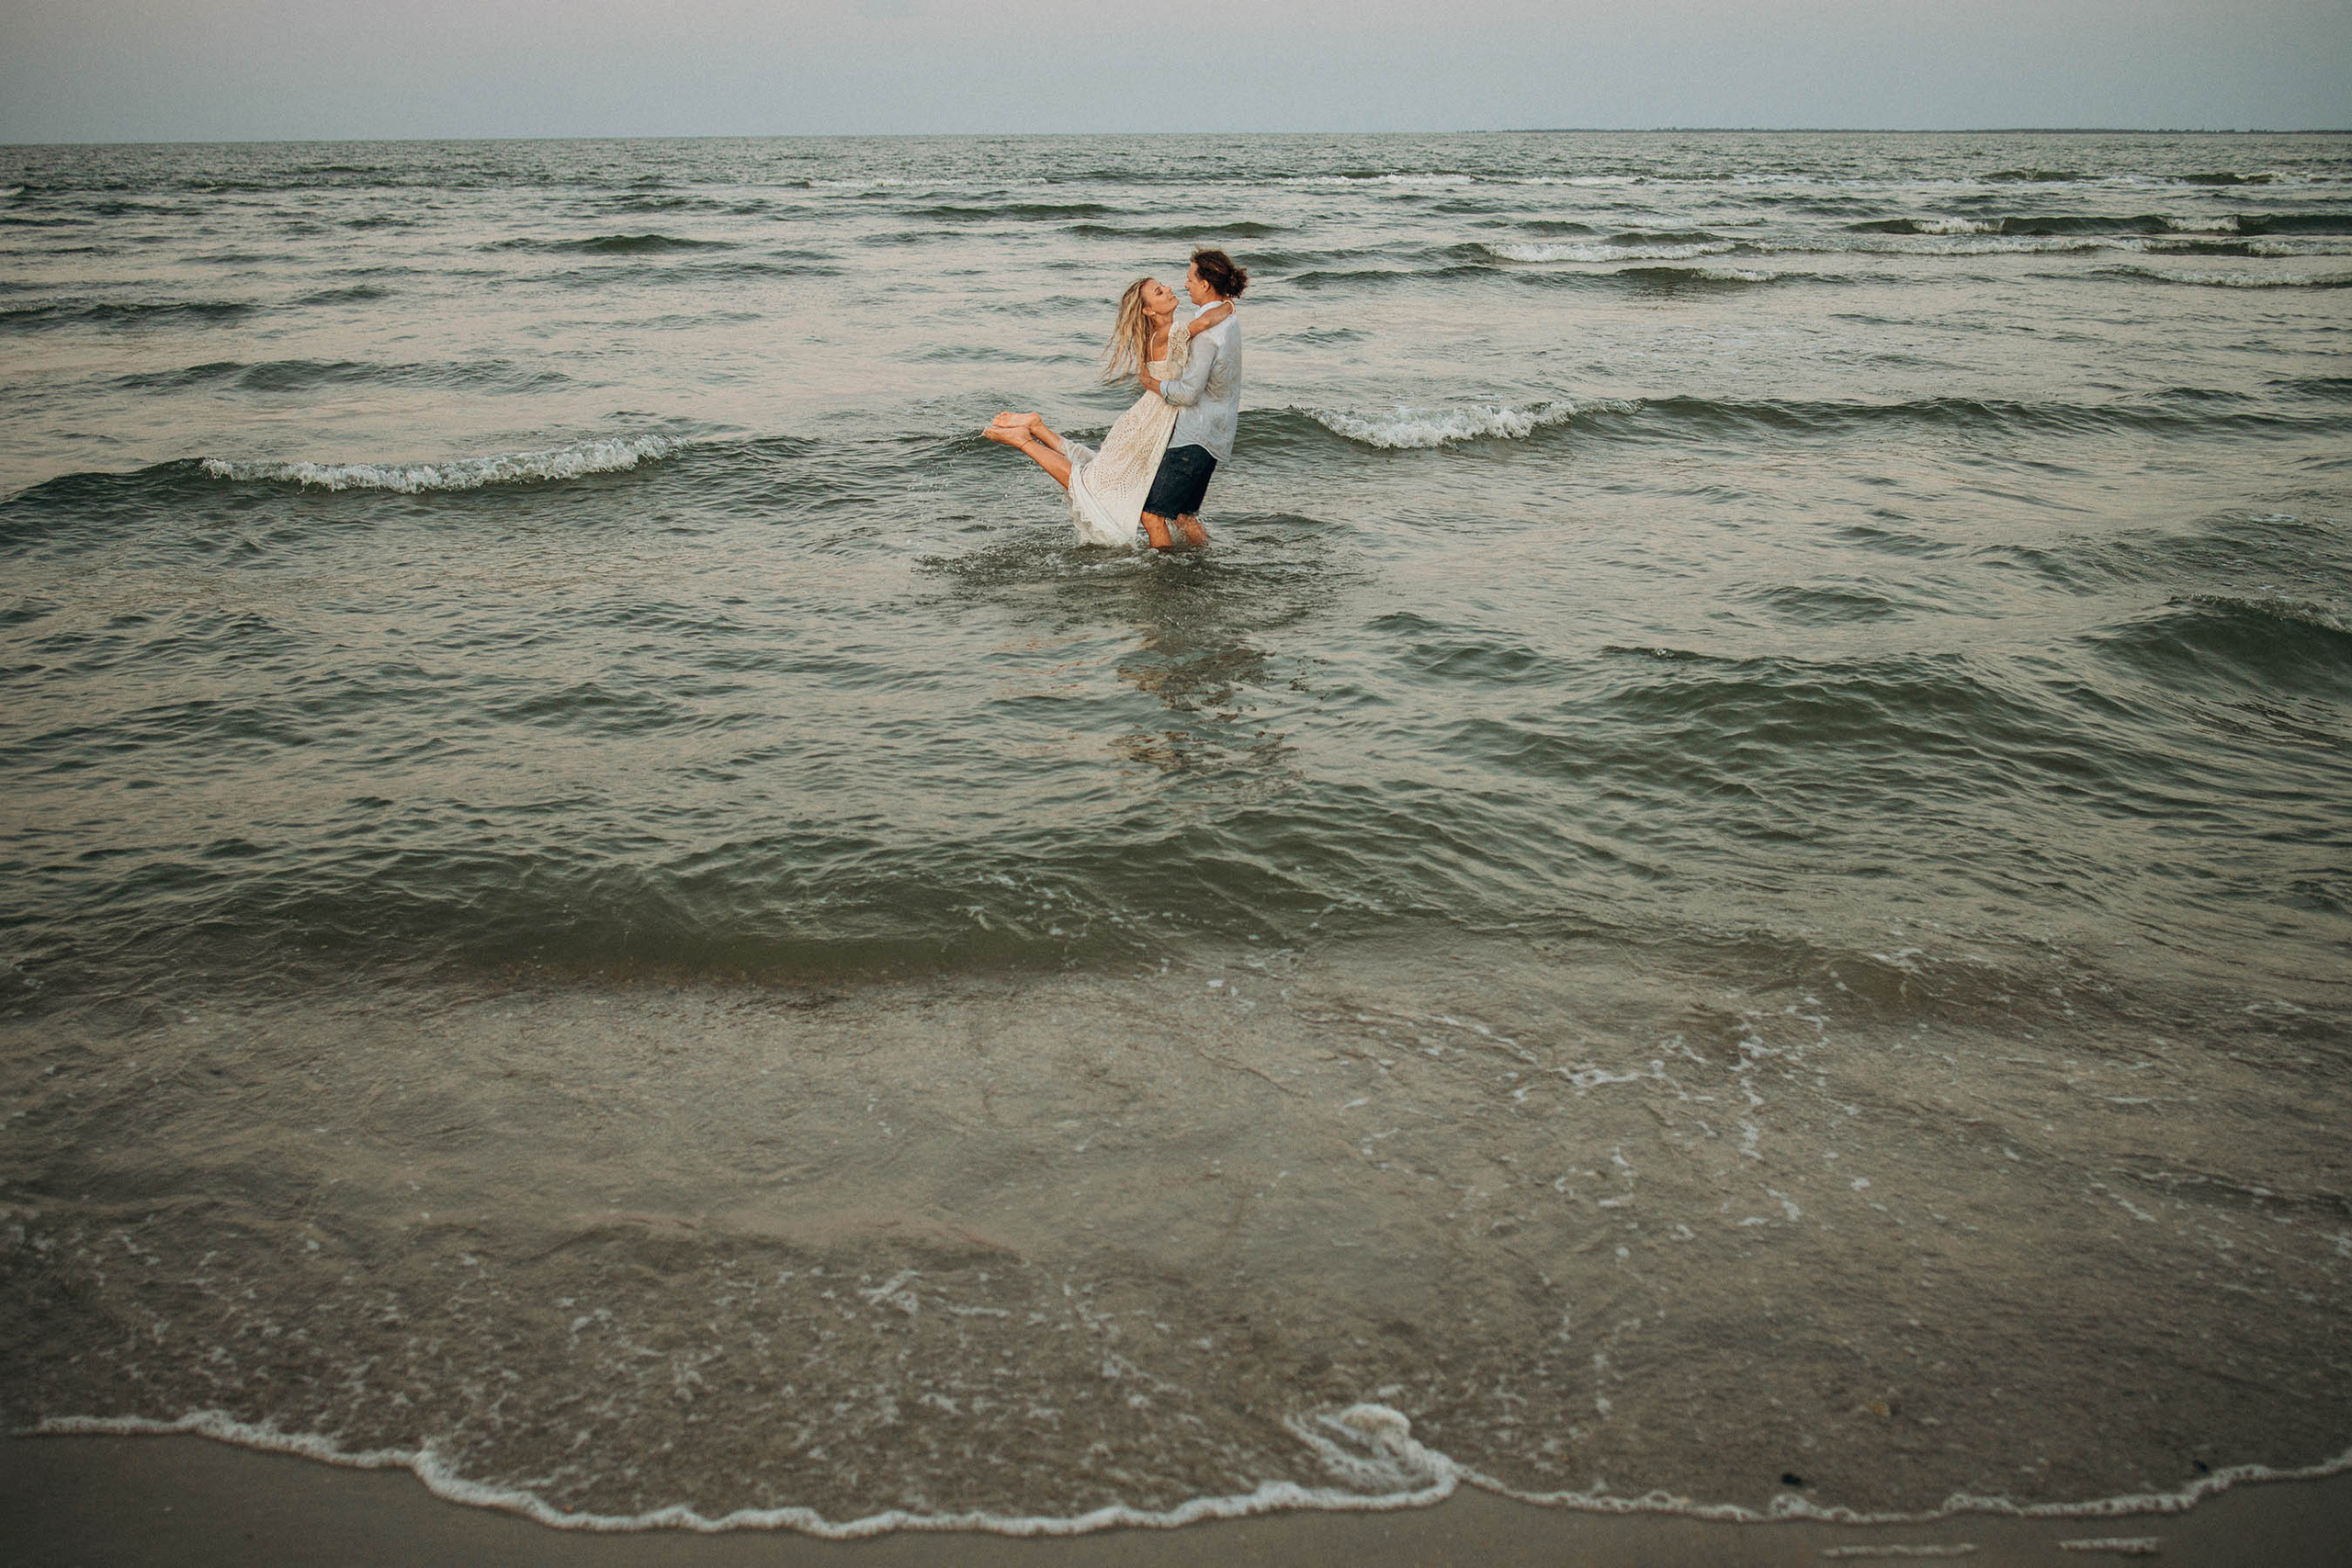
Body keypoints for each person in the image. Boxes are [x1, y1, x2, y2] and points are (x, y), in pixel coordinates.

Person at [983, 248, 1246, 550]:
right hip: (1152, 421)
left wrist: (1224, 306)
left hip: (1161, 422)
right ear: (1149, 310)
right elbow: (1198, 327)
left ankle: (1037, 429)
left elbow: (1198, 336)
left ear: (1204, 284)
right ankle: (1024, 439)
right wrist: (1226, 307)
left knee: (1109, 476)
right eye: (1160, 291)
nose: (1178, 286)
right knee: (1100, 481)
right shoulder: (1171, 333)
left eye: (1186, 280)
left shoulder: (1177, 331)